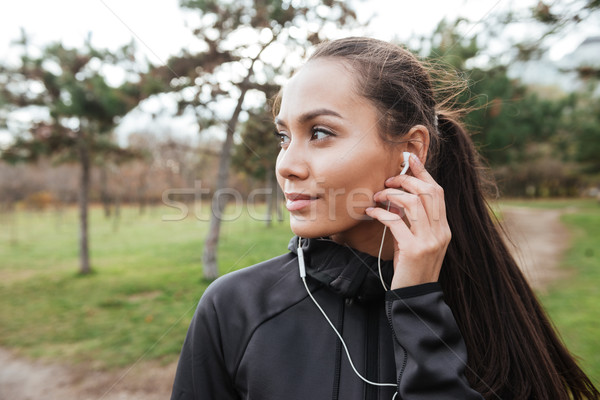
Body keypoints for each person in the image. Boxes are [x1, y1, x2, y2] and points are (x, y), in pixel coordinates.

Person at [170, 37, 599, 400]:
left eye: (319, 132)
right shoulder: (234, 309)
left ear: (409, 149)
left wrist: (420, 306)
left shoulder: (484, 305)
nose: (286, 165)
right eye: (284, 136)